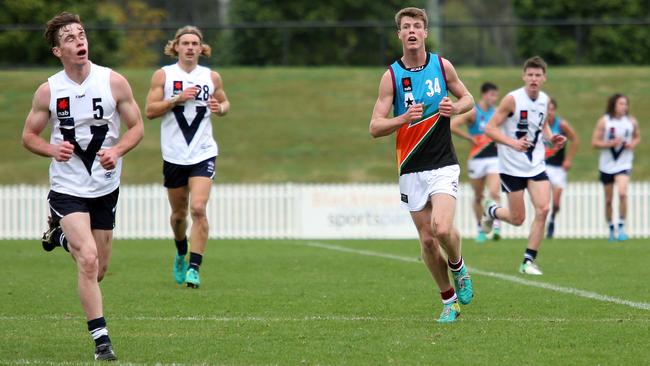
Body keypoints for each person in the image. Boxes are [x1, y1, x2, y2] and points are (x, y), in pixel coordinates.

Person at [22, 12, 144, 360]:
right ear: (58, 51)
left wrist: (118, 150)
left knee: (99, 269)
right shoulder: (49, 90)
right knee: (87, 260)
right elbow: (28, 136)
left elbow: (136, 127)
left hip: (105, 187)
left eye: (82, 34)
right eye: (70, 39)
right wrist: (50, 148)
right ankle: (102, 341)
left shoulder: (113, 82)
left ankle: (56, 235)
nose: (80, 41)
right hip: (67, 187)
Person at [370, 7, 475, 323]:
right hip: (411, 166)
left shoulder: (442, 66)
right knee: (428, 241)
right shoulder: (391, 77)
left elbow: (467, 98)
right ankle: (449, 300)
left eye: (418, 26)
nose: (412, 31)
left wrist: (454, 108)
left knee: (441, 227)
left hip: (443, 162)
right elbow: (375, 126)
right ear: (399, 34)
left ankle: (458, 265)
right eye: (406, 27)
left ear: (426, 32)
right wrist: (402, 119)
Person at [145, 26, 229, 288]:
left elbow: (225, 103)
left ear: (201, 48)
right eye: (186, 43)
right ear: (176, 47)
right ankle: (181, 252)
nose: (191, 47)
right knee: (179, 215)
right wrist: (177, 99)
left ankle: (194, 268)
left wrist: (220, 108)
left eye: (195, 43)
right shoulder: (164, 75)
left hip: (203, 152)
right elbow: (149, 110)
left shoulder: (211, 77)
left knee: (198, 208)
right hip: (174, 155)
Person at [482, 56, 566, 275]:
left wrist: (552, 138)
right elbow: (490, 129)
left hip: (536, 165)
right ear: (523, 76)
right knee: (517, 219)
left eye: (538, 75)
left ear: (544, 78)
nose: (534, 79)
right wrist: (513, 143)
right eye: (530, 75)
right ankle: (491, 210)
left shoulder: (544, 101)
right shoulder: (512, 100)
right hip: (511, 167)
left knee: (544, 208)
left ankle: (528, 261)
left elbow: (543, 126)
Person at [451, 82, 502, 243]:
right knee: (479, 196)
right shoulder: (473, 112)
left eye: (496, 95)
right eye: (491, 95)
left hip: (494, 158)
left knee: (494, 192)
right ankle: (480, 229)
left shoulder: (497, 113)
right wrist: (469, 138)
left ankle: (496, 227)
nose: (494, 98)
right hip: (476, 159)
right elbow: (452, 125)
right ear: (484, 95)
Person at [591, 93, 640, 242]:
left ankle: (622, 226)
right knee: (608, 200)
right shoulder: (604, 122)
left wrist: (633, 144)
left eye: (625, 104)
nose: (624, 107)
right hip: (606, 166)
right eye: (621, 104)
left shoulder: (631, 121)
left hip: (624, 164)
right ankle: (611, 228)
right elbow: (594, 142)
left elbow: (637, 136)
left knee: (623, 193)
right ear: (613, 105)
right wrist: (609, 144)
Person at [544, 98, 579, 238]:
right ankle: (542, 223)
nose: (549, 112)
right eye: (547, 109)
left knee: (556, 203)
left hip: (558, 167)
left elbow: (575, 139)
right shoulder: (540, 124)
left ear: (555, 110)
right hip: (543, 165)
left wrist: (568, 159)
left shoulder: (562, 125)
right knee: (544, 200)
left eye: (551, 109)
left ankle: (552, 219)